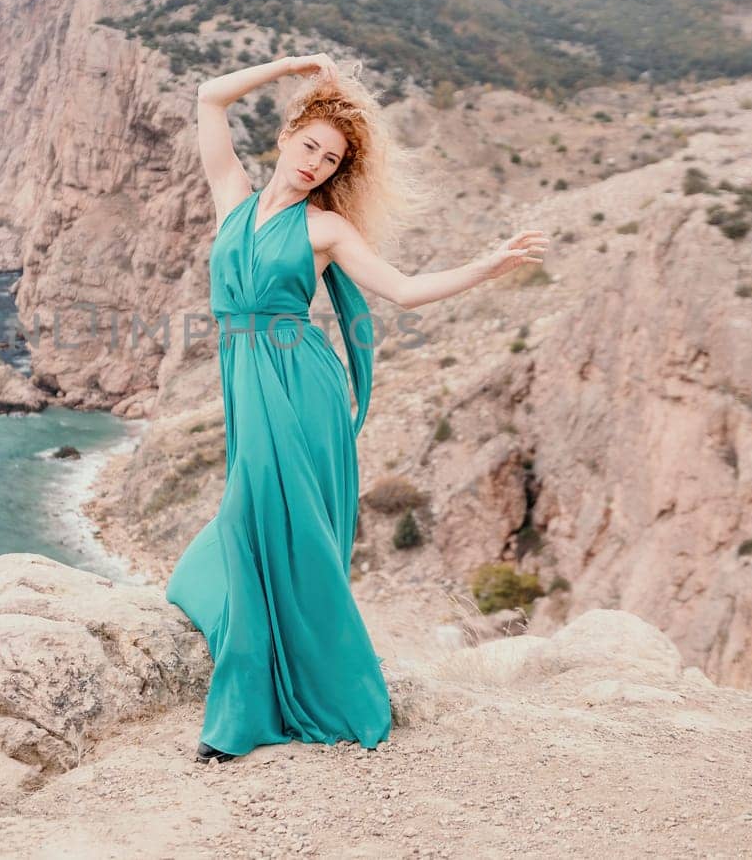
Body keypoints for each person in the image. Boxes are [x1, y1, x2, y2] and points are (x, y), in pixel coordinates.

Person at [164, 53, 548, 764]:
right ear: (284, 137)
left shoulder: (325, 231)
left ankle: (254, 715)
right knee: (245, 532)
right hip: (246, 379)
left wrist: (488, 265)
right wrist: (293, 65)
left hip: (301, 391)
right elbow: (209, 96)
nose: (315, 163)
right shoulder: (233, 197)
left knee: (277, 532)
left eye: (331, 159)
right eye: (309, 145)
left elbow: (402, 291)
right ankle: (258, 692)